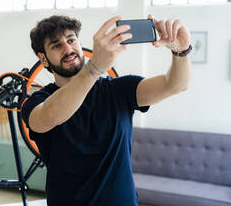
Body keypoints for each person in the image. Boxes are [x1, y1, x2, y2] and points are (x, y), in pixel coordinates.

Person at [21, 15, 191, 206]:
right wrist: (94, 68)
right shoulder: (36, 102)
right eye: (56, 45)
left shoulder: (119, 90)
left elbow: (175, 85)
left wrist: (182, 51)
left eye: (71, 40)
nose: (68, 49)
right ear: (43, 58)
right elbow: (49, 116)